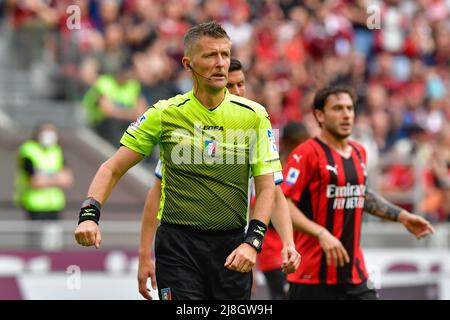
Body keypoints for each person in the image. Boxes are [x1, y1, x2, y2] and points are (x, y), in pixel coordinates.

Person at [75, 21, 284, 300]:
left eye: (224, 54)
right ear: (188, 63)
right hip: (178, 247)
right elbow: (112, 168)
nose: (221, 63)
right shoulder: (165, 113)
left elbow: (267, 187)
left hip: (232, 245)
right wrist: (90, 215)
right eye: (210, 55)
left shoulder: (254, 116)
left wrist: (253, 242)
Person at [137, 58, 300, 300]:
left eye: (241, 84)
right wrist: (144, 254)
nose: (236, 91)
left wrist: (288, 242)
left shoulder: (253, 125)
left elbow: (274, 192)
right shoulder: (188, 133)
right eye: (230, 86)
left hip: (233, 245)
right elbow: (158, 193)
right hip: (183, 246)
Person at [281, 85, 435, 300]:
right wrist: (321, 233)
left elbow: (361, 194)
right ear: (319, 115)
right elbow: (282, 203)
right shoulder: (306, 153)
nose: (346, 115)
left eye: (350, 108)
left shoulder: (358, 152)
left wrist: (402, 216)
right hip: (312, 276)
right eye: (337, 109)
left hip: (354, 273)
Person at [255, 122, 309, 300]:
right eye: (296, 143)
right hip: (272, 251)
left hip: (292, 249)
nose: (299, 149)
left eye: (303, 143)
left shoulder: (301, 169)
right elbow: (261, 206)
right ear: (286, 143)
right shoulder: (271, 170)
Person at [15, 122, 74, 221]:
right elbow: (35, 181)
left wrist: (45, 178)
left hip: (55, 205)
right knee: (37, 235)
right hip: (34, 205)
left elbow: (67, 179)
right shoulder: (28, 150)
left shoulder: (56, 150)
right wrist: (56, 177)